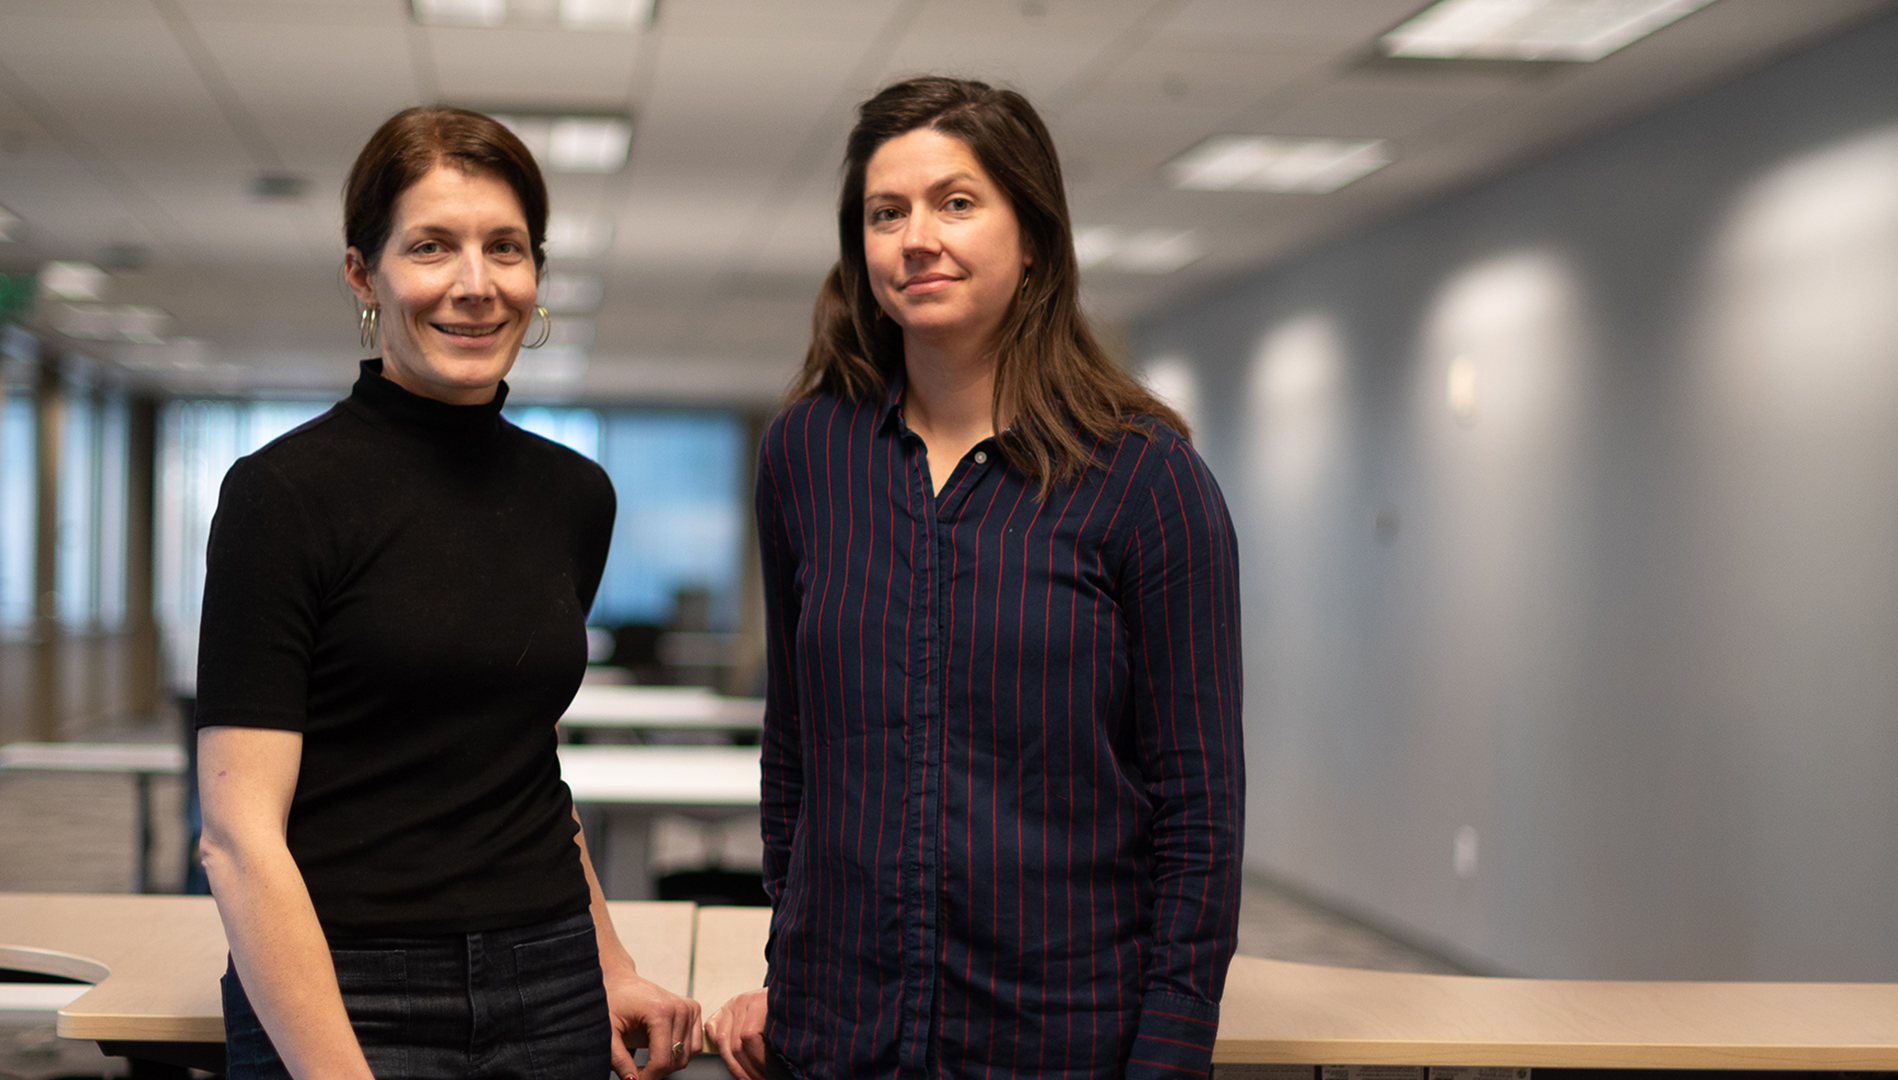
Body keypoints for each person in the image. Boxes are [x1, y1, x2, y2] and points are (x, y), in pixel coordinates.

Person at [704, 77, 1244, 1080]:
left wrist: (1170, 1048)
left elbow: (1199, 810)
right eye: (885, 212)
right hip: (836, 1035)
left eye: (956, 202)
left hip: (1056, 1037)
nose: (916, 237)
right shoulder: (809, 455)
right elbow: (797, 755)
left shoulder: (1146, 480)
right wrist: (793, 962)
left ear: (1031, 234)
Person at [194, 106, 701, 1080]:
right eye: (432, 247)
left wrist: (611, 962)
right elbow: (236, 839)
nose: (476, 285)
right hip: (345, 983)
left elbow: (520, 761)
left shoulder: (573, 496)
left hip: (549, 975)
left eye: (505, 248)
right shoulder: (282, 495)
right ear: (363, 274)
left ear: (537, 272)